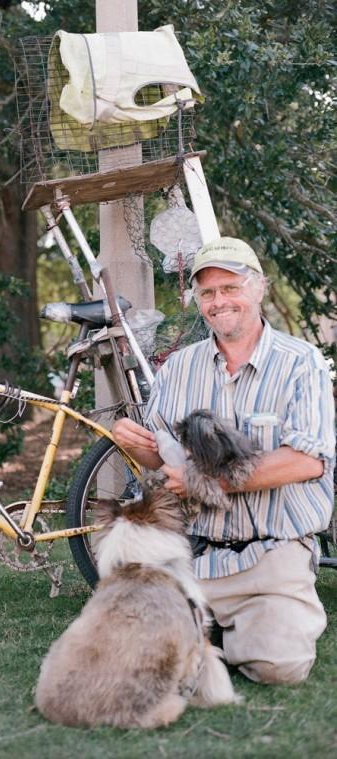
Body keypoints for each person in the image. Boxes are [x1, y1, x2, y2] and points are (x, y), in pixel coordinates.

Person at [113, 237, 335, 685]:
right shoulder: (179, 367)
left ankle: (221, 635)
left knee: (279, 667)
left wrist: (204, 482)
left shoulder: (300, 362)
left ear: (258, 289)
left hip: (273, 552)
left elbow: (306, 462)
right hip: (193, 554)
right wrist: (136, 446)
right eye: (208, 293)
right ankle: (210, 631)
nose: (219, 302)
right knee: (132, 655)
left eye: (230, 287)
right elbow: (164, 456)